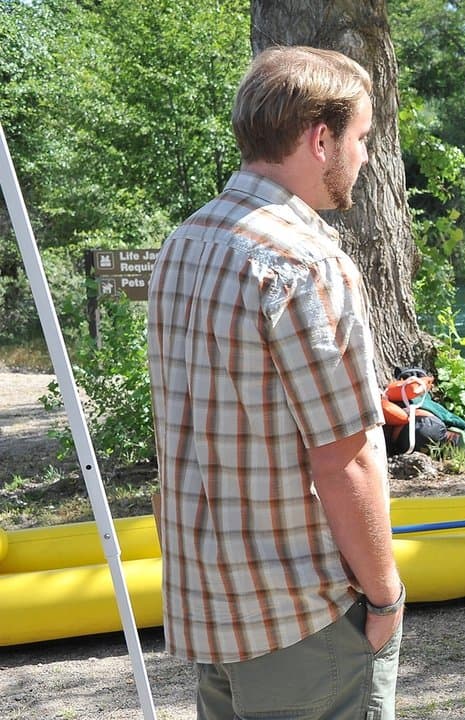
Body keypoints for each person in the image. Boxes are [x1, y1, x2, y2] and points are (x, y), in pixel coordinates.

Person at [147, 46, 402, 719]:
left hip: (213, 607)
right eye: (362, 137)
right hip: (301, 614)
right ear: (321, 140)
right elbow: (343, 460)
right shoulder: (305, 261)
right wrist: (386, 596)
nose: (365, 156)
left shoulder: (185, 243)